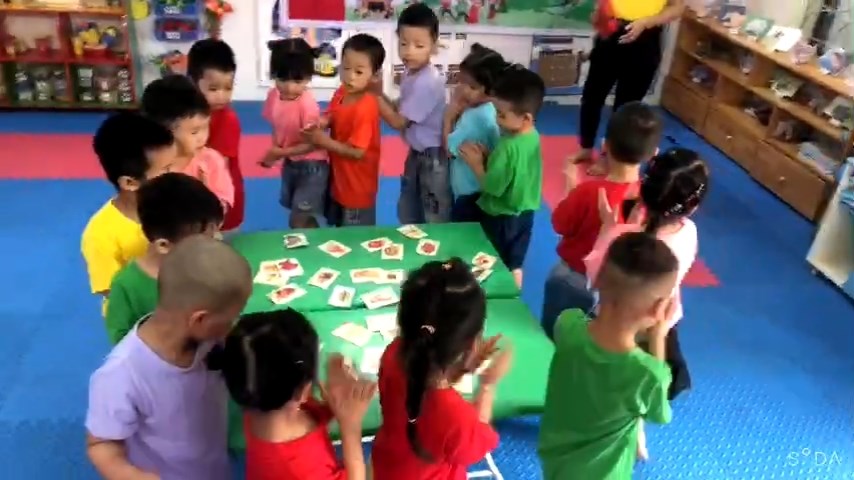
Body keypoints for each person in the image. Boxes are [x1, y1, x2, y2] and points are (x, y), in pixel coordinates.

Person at [85, 236, 252, 480]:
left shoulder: (209, 339)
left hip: (213, 464)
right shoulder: (120, 375)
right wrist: (130, 475)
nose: (232, 326)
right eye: (229, 320)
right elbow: (100, 444)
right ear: (200, 320)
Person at [538, 232, 677, 479]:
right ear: (659, 308)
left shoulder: (567, 323)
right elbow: (660, 415)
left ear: (598, 277)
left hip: (554, 455)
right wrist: (658, 338)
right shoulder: (649, 373)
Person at [584, 148, 709, 399]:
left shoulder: (621, 236)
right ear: (692, 206)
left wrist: (608, 229)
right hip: (662, 316)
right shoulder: (689, 232)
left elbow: (595, 278)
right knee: (652, 369)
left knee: (610, 373)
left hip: (619, 320)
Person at [371, 258, 512, 480]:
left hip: (388, 465)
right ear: (472, 343)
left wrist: (461, 369)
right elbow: (475, 448)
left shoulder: (394, 352)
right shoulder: (455, 416)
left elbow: (422, 385)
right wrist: (488, 385)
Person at [542, 102, 662, 337]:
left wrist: (570, 188)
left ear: (604, 145)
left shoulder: (589, 192)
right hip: (618, 291)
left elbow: (560, 224)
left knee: (554, 336)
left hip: (574, 278)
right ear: (653, 154)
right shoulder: (650, 200)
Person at [222, 309, 377, 480]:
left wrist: (333, 403)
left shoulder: (253, 397)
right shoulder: (301, 468)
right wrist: (350, 427)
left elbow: (307, 412)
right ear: (302, 392)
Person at [104, 172, 224, 345]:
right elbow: (122, 342)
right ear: (164, 245)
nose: (218, 240)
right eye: (205, 239)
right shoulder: (127, 288)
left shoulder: (207, 264)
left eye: (217, 231)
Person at [570, 0, 684, 176]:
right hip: (611, 32)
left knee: (625, 108)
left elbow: (677, 7)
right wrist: (600, 11)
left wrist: (646, 22)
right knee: (591, 96)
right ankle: (586, 147)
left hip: (645, 37)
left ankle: (609, 158)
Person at [458, 66, 544, 288]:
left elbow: (492, 187)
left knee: (490, 260)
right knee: (515, 263)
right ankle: (515, 297)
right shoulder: (533, 136)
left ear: (526, 118)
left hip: (500, 217)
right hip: (525, 213)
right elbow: (518, 171)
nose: (496, 120)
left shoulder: (507, 146)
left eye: (502, 115)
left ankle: (491, 295)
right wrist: (490, 158)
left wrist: (477, 164)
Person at [81, 112, 177, 301]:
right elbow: (111, 291)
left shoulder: (175, 201)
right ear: (130, 183)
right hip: (140, 312)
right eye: (165, 169)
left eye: (173, 165)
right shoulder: (100, 234)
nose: (174, 174)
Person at [377, 3, 450, 224]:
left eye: (419, 45)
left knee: (433, 215)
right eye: (403, 43)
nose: (409, 51)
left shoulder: (427, 82)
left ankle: (437, 245)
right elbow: (398, 107)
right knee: (410, 210)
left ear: (433, 46)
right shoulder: (411, 72)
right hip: (418, 153)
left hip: (432, 159)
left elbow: (399, 121)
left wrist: (373, 96)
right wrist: (379, 93)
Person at [302, 34, 384, 227]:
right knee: (338, 231)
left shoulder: (366, 107)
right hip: (339, 182)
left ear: (374, 76)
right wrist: (323, 122)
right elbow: (333, 113)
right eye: (346, 68)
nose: (350, 76)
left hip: (357, 190)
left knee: (356, 238)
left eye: (358, 72)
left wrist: (323, 141)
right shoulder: (342, 91)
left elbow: (357, 152)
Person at [259, 38, 329, 228]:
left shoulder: (307, 105)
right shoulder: (273, 96)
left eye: (298, 81)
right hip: (291, 163)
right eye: (282, 79)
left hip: (313, 167)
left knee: (298, 219)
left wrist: (279, 153)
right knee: (300, 216)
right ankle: (314, 239)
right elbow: (275, 126)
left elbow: (313, 143)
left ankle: (314, 245)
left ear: (309, 77)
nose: (290, 87)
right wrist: (274, 153)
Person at [142, 74, 235, 212]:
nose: (202, 137)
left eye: (206, 127)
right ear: (164, 132)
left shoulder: (210, 161)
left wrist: (208, 202)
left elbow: (223, 204)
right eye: (194, 132)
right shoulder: (149, 163)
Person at [187, 38, 244, 233]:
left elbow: (218, 167)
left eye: (228, 88)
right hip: (193, 194)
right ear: (193, 82)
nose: (222, 96)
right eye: (213, 89)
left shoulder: (227, 120)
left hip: (218, 197)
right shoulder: (188, 112)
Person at [445, 43, 502, 222]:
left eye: (471, 86)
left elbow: (449, 150)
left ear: (489, 88)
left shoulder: (476, 117)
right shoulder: (493, 109)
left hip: (469, 193)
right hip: (482, 190)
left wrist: (448, 117)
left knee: (464, 234)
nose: (462, 90)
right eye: (461, 82)